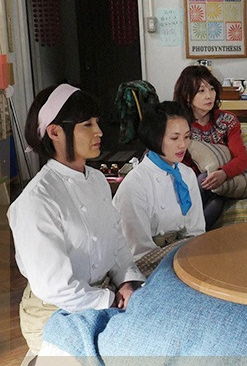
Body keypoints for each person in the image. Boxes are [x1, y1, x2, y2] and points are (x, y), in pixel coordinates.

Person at [8, 84, 146, 354]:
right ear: (55, 132)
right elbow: (56, 288)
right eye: (87, 125)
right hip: (55, 312)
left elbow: (117, 243)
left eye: (97, 122)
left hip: (102, 295)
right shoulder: (36, 201)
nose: (99, 132)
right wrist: (110, 299)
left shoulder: (97, 180)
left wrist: (127, 282)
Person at [113, 101, 205, 262]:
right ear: (154, 138)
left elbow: (197, 232)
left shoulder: (187, 174)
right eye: (174, 138)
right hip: (144, 263)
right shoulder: (135, 185)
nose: (183, 145)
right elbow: (138, 252)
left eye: (187, 137)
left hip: (186, 257)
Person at [173, 65, 247, 230]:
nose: (209, 96)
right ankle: (186, 231)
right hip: (189, 182)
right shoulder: (179, 123)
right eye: (201, 91)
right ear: (187, 96)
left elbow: (242, 158)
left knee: (217, 199)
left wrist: (223, 173)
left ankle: (190, 236)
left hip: (219, 181)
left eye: (212, 89)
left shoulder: (226, 120)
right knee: (204, 184)